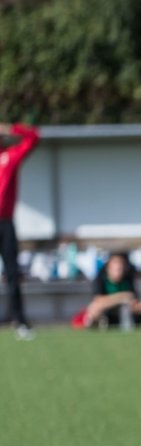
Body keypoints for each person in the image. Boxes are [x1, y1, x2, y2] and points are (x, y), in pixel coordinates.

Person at [1, 122, 39, 339]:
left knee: (13, 274)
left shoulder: (10, 157)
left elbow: (33, 136)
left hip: (5, 223)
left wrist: (9, 128)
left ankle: (20, 321)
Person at [80, 252, 141, 328]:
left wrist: (140, 305)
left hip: (126, 311)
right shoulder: (101, 277)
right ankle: (98, 325)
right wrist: (121, 297)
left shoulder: (128, 278)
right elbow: (98, 300)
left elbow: (134, 299)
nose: (118, 266)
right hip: (107, 311)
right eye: (115, 263)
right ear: (109, 266)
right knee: (94, 308)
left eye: (121, 264)